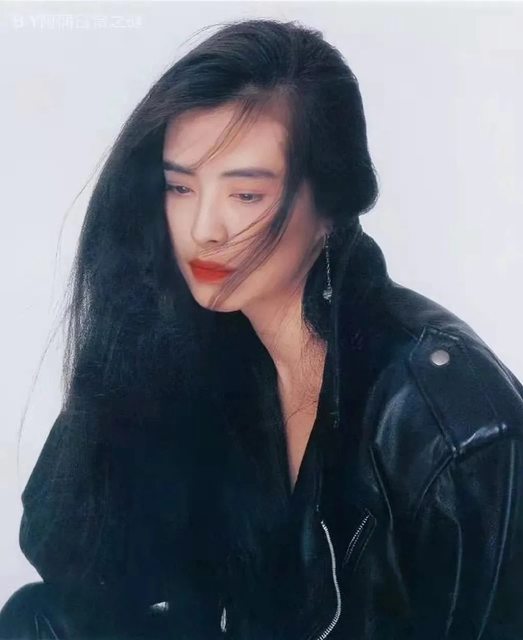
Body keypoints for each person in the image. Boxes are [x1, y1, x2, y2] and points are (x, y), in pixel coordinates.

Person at [1, 17, 522, 640]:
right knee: (37, 621)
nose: (203, 229)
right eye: (179, 187)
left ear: (330, 205)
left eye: (245, 195)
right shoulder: (217, 346)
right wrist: (127, 343)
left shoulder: (447, 425)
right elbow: (65, 553)